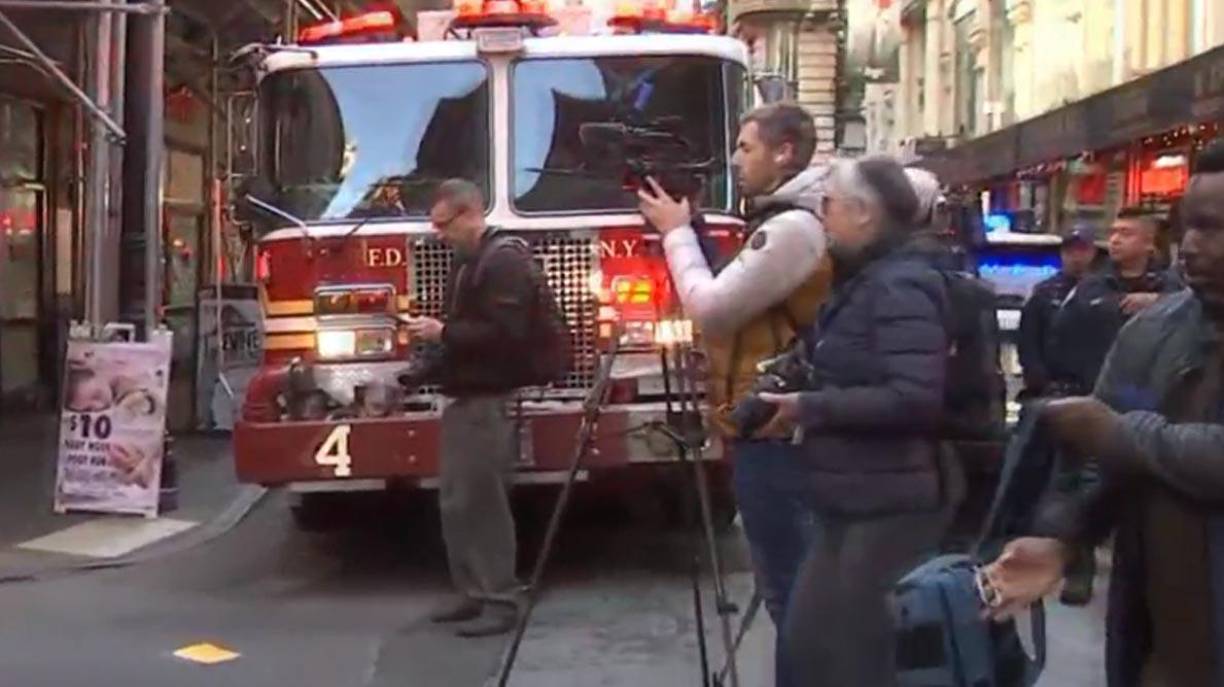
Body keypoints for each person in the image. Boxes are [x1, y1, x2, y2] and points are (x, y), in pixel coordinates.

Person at [983, 141, 1224, 687]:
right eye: (1188, 226)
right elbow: (1101, 461)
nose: (1190, 246)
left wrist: (1121, 435)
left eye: (1213, 229)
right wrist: (1064, 536)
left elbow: (1113, 434)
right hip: (1164, 654)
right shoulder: (1155, 330)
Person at [637, 102, 831, 685]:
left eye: (746, 148)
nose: (736, 160)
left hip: (778, 430)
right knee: (792, 587)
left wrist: (676, 235)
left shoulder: (794, 226)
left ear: (784, 152)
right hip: (768, 423)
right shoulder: (788, 219)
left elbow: (713, 308)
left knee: (792, 591)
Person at [754, 155, 958, 686]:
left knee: (854, 658)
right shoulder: (865, 281)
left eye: (829, 204)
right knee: (810, 647)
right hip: (847, 499)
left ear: (864, 213)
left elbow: (915, 399)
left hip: (886, 505)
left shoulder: (900, 286)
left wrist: (810, 407)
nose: (820, 215)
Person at [402, 179, 532, 638]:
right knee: (458, 501)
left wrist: (442, 333)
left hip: (488, 397)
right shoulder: (469, 262)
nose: (438, 234)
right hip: (465, 395)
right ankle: (472, 591)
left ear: (471, 213)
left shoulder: (504, 262)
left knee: (484, 501)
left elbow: (508, 334)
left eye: (444, 224)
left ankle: (500, 598)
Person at [1042, 211, 1182, 605]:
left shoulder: (1176, 293)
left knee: (1142, 496)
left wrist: (1160, 305)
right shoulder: (1091, 288)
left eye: (1126, 233)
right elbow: (1060, 336)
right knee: (1081, 489)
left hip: (1151, 409)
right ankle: (1078, 567)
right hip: (1093, 399)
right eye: (1114, 232)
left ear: (1149, 243)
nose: (1116, 240)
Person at [1017, 226, 1099, 399]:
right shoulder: (1043, 292)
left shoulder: (1104, 291)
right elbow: (1028, 340)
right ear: (1062, 253)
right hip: (1052, 386)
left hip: (1093, 387)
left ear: (1092, 253)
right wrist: (1039, 382)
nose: (1076, 257)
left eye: (1082, 250)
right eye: (1070, 251)